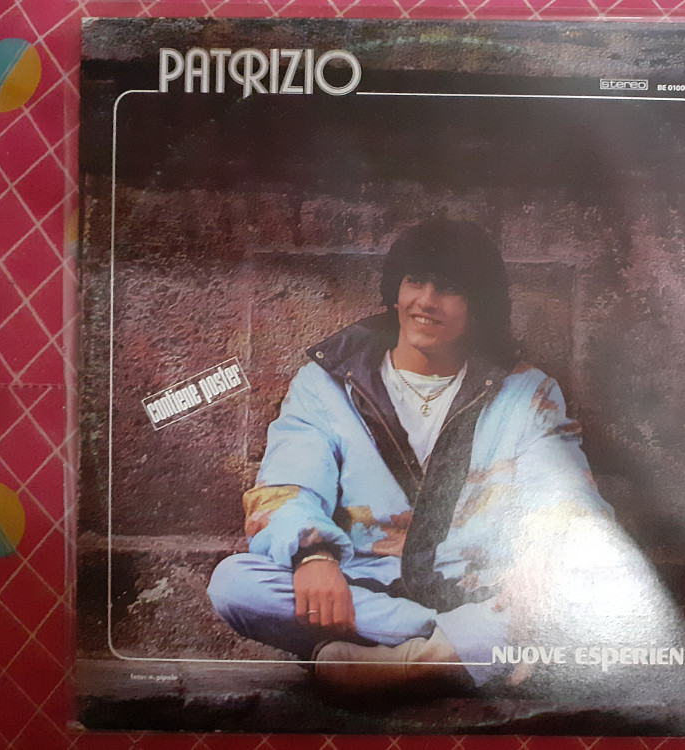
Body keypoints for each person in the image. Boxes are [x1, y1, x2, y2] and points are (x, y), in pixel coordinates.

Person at [207, 217, 614, 692]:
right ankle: (453, 652)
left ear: (479, 304)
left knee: (589, 582)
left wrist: (542, 564)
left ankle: (392, 665)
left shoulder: (526, 392)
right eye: (415, 281)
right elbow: (286, 487)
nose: (426, 301)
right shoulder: (325, 384)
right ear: (395, 291)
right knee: (234, 584)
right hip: (361, 588)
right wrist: (313, 556)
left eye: (449, 288)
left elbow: (566, 497)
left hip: (476, 589)